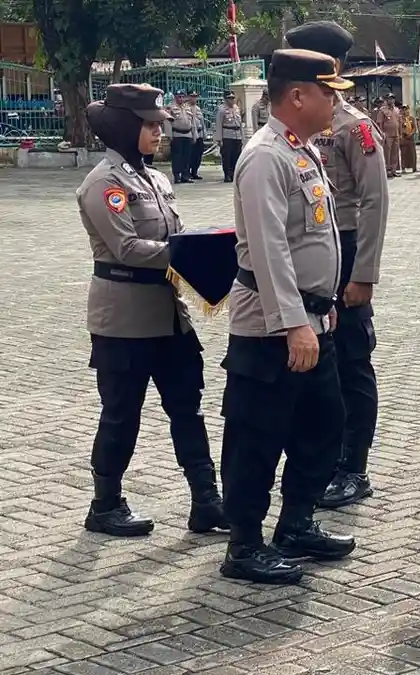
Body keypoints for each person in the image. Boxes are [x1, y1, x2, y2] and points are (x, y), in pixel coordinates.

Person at [218, 48, 357, 585]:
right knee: (257, 436)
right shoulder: (264, 157)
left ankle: (296, 522)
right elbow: (271, 250)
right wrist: (293, 322)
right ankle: (245, 545)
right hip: (272, 330)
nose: (336, 103)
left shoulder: (301, 150)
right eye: (329, 93)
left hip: (312, 321)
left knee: (322, 427)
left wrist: (324, 307)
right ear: (298, 95)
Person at [77, 84, 227, 537]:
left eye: (159, 125)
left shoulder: (156, 180)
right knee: (122, 414)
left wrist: (206, 251)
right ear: (125, 127)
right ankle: (105, 504)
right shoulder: (105, 183)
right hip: (123, 319)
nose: (158, 132)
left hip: (168, 314)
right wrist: (189, 254)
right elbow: (125, 247)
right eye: (148, 125)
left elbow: (173, 238)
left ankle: (207, 502)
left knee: (189, 409)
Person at [284, 20, 391, 509]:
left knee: (351, 361)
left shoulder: (355, 127)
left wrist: (363, 273)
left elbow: (375, 202)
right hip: (307, 254)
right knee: (313, 364)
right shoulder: (290, 130)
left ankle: (354, 466)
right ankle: (321, 457)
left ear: (335, 68)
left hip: (345, 249)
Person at [214, 91, 245, 183]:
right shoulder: (222, 110)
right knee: (227, 156)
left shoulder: (236, 109)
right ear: (225, 99)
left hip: (237, 135)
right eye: (229, 98)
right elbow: (218, 124)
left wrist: (242, 137)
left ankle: (234, 174)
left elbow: (239, 124)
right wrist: (219, 139)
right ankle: (227, 174)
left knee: (236, 156)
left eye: (232, 98)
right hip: (227, 135)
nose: (231, 100)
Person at [165, 90, 195, 184]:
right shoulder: (170, 107)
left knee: (187, 156)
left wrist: (194, 135)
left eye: (182, 96)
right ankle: (177, 175)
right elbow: (167, 122)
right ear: (175, 97)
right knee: (177, 156)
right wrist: (169, 135)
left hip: (188, 134)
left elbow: (192, 122)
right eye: (179, 97)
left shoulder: (188, 107)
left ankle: (185, 175)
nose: (181, 98)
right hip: (177, 135)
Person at [375, 93, 402, 177]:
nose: (391, 100)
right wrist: (382, 133)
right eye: (389, 99)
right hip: (387, 134)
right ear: (386, 100)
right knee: (387, 153)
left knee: (395, 152)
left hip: (396, 134)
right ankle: (387, 170)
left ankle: (394, 170)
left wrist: (400, 133)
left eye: (392, 98)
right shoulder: (383, 110)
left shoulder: (397, 110)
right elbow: (379, 123)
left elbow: (399, 122)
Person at [187, 91, 206, 181]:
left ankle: (195, 172)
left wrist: (204, 133)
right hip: (191, 134)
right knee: (190, 154)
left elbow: (202, 122)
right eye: (192, 96)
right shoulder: (186, 108)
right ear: (188, 97)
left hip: (199, 134)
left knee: (198, 154)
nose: (194, 98)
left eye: (195, 97)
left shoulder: (198, 108)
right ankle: (187, 172)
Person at [400, 104, 418, 173]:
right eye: (403, 109)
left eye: (406, 109)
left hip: (411, 138)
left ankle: (414, 167)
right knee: (404, 153)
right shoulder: (400, 118)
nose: (405, 111)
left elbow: (414, 128)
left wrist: (411, 134)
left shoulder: (411, 118)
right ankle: (403, 167)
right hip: (404, 138)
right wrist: (405, 132)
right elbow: (399, 127)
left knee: (412, 153)